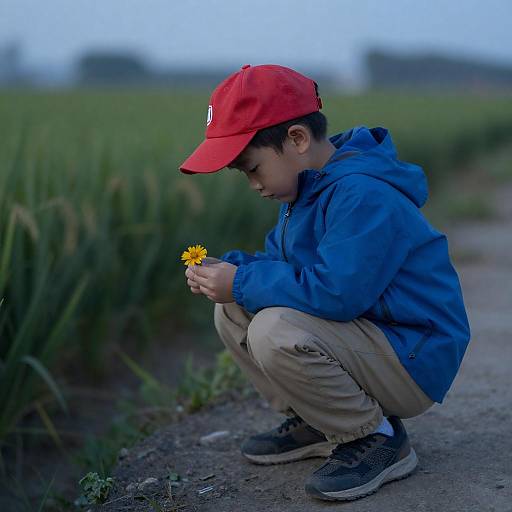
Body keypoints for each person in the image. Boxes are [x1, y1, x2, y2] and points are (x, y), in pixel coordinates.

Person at [179, 64, 471, 502]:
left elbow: (338, 293)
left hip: (411, 353)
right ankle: (319, 420)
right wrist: (233, 272)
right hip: (370, 340)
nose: (253, 184)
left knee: (273, 328)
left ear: (297, 139)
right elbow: (283, 266)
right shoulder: (306, 189)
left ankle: (377, 437)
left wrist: (242, 281)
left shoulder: (361, 194)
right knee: (232, 308)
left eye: (253, 167)